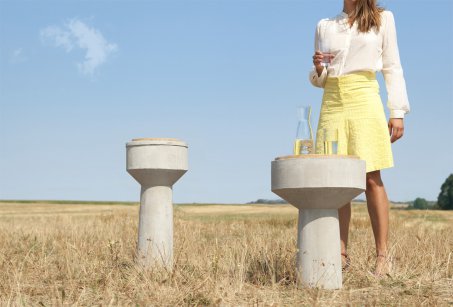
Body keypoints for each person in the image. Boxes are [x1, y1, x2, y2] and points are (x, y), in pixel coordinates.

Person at [309, 0, 410, 276]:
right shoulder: (325, 25)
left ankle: (382, 256)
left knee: (370, 177)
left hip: (364, 97)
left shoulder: (383, 19)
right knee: (336, 179)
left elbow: (392, 66)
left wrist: (397, 111)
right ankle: (340, 254)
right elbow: (321, 78)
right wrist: (319, 70)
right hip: (332, 101)